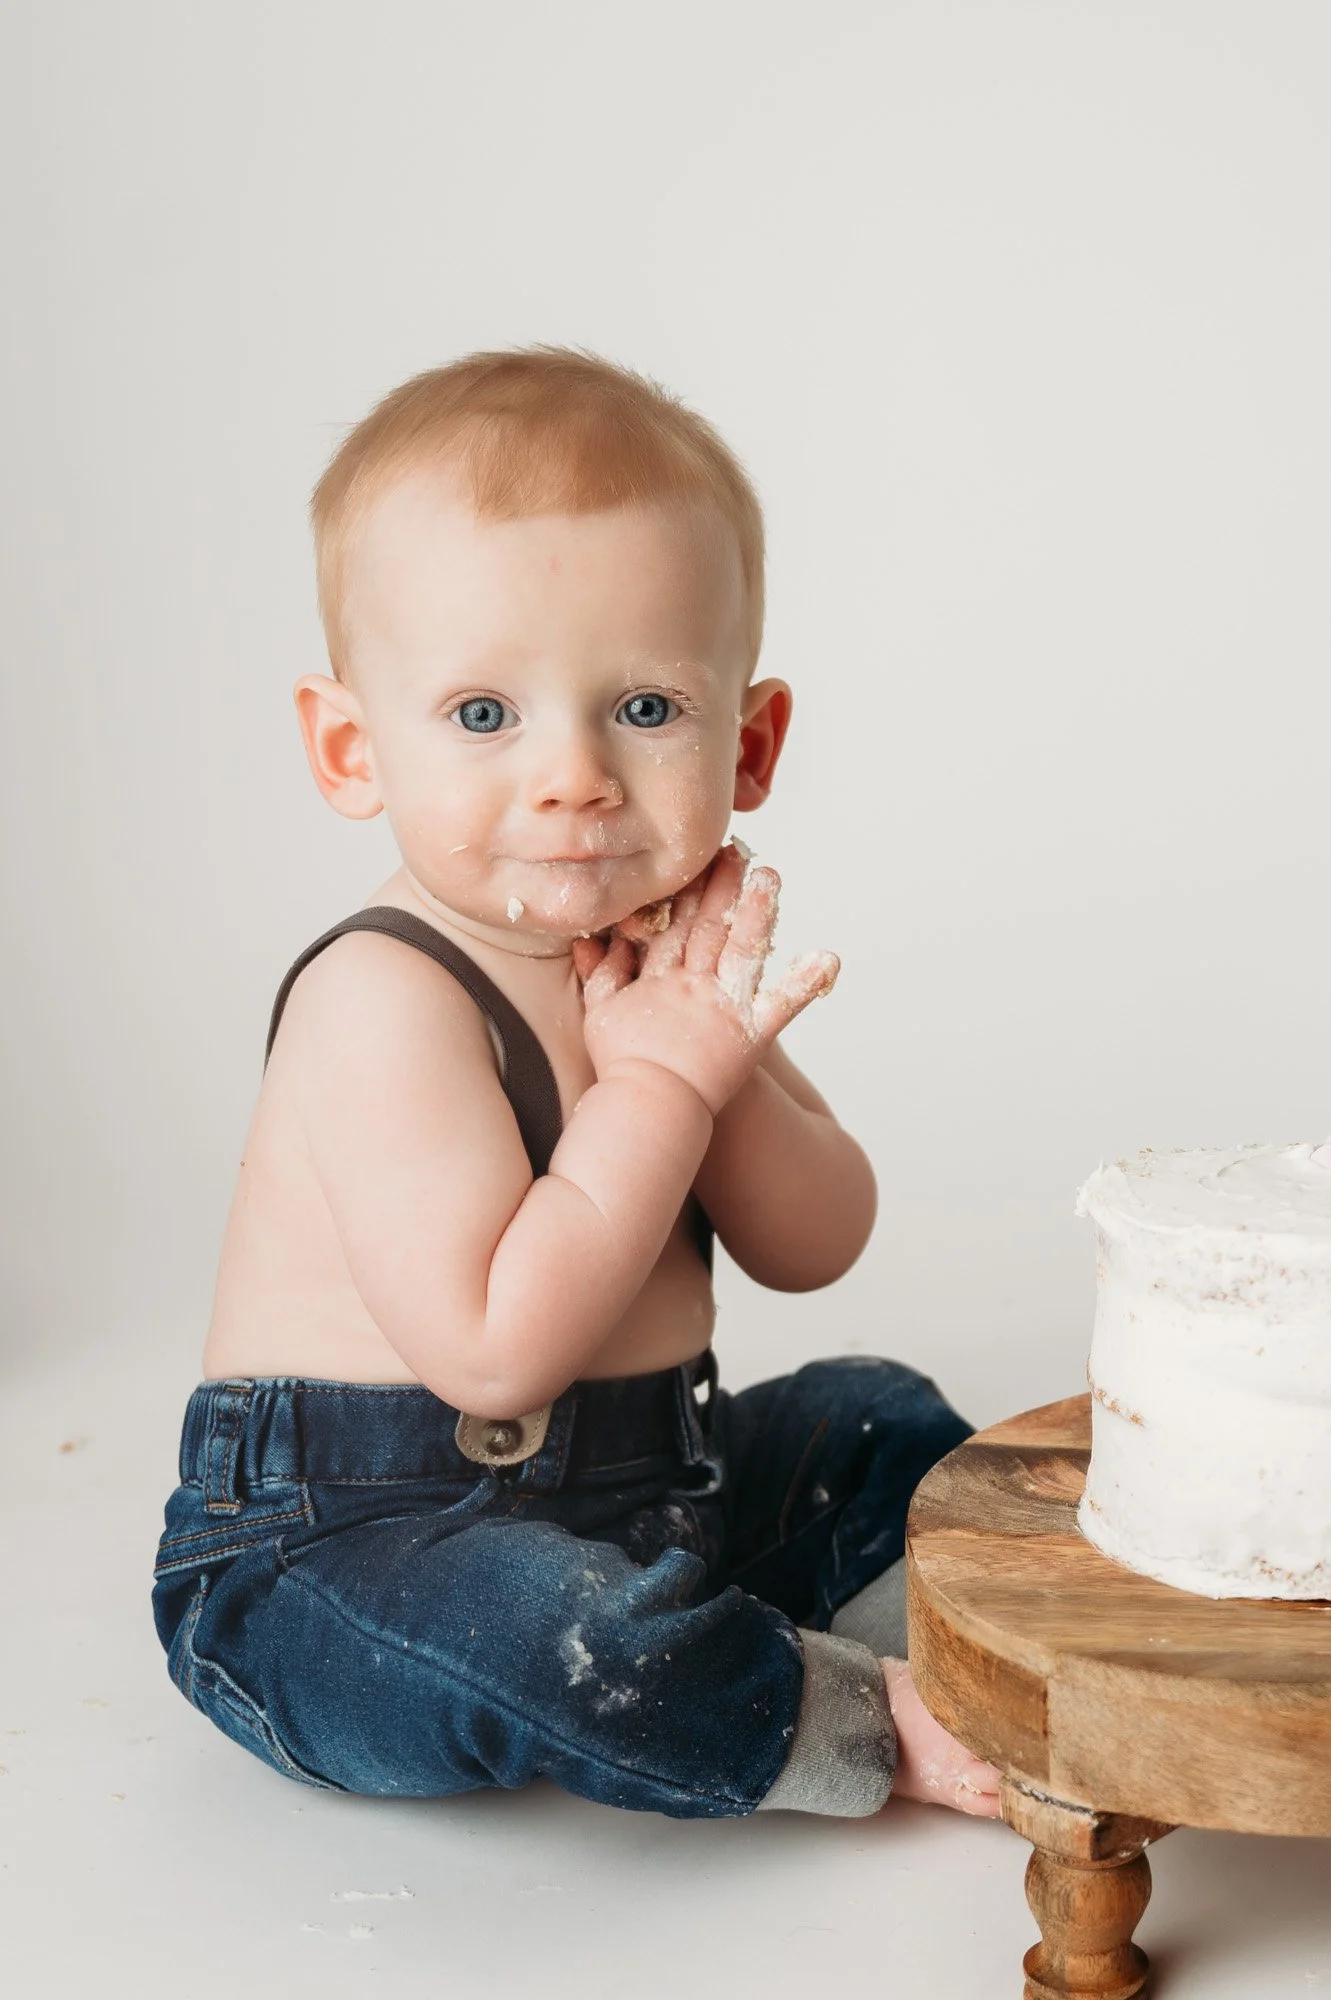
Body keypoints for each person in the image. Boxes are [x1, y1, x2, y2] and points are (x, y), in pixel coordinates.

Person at [152, 346, 1002, 1822]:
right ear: (353, 749)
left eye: (647, 710)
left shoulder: (663, 964)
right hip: (355, 1544)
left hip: (644, 1492)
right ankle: (849, 1717)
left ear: (748, 745)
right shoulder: (382, 995)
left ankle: (788, 1652)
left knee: (878, 1422)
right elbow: (493, 1352)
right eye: (485, 717)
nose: (574, 777)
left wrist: (709, 1072)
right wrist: (655, 1089)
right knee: (542, 1635)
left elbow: (815, 1243)